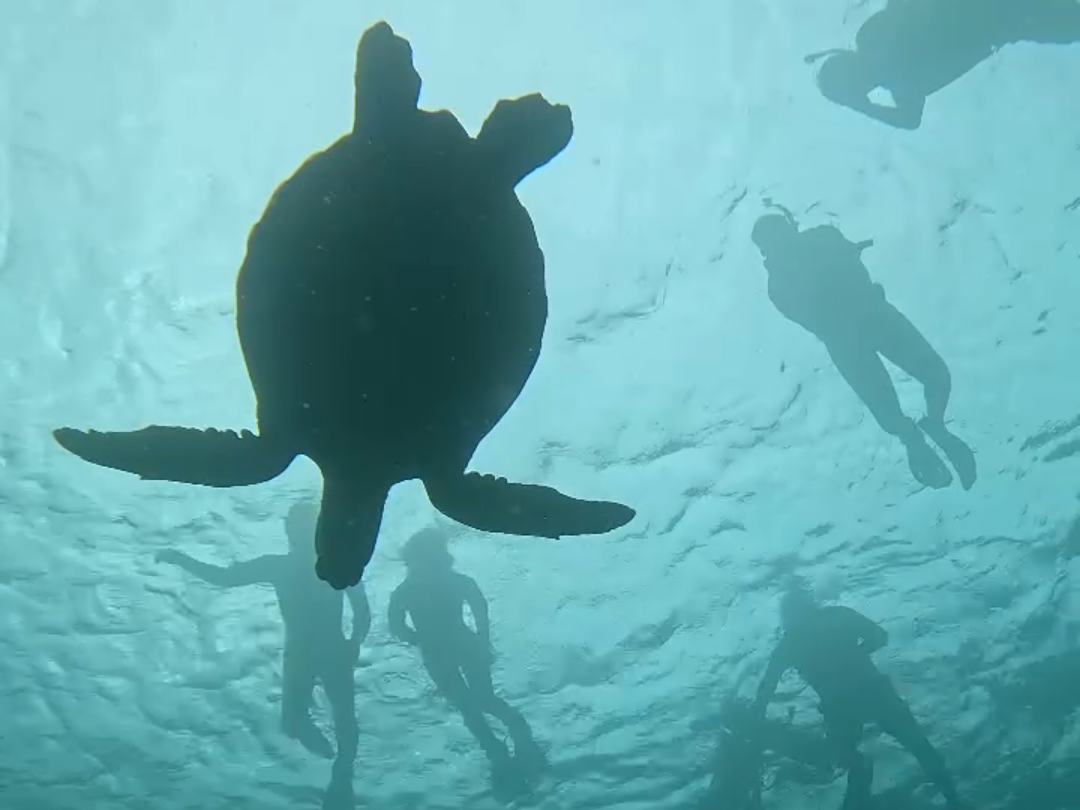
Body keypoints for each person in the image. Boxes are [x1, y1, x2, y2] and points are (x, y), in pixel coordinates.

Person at [157, 499, 369, 810]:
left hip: (328, 651)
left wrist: (354, 642)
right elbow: (223, 577)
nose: (298, 533)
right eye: (295, 527)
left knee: (341, 720)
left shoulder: (335, 562)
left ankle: (342, 773)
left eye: (304, 527)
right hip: (308, 652)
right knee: (297, 723)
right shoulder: (284, 565)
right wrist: (181, 559)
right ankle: (334, 761)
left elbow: (362, 611)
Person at [751, 211, 976, 490]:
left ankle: (933, 427)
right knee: (893, 409)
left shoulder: (819, 239)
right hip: (850, 335)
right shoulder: (780, 282)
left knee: (936, 377)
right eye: (773, 240)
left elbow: (846, 259)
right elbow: (808, 314)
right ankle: (914, 438)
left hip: (870, 319)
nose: (781, 241)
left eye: (780, 233)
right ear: (766, 249)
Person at [751, 588, 967, 809]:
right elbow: (880, 636)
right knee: (919, 746)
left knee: (849, 759)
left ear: (787, 616)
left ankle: (864, 776)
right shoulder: (837, 616)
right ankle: (954, 800)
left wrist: (756, 716)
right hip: (872, 692)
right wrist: (857, 653)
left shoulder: (789, 644)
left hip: (841, 706)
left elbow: (767, 686)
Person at [388, 528, 547, 791]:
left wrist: (422, 638)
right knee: (471, 704)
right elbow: (478, 606)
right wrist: (480, 639)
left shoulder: (413, 589)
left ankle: (512, 740)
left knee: (477, 702)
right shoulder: (428, 587)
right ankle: (501, 748)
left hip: (453, 648)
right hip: (454, 648)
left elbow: (397, 624)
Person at [809, 0, 1080, 129]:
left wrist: (864, 107)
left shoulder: (876, 45)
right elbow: (910, 120)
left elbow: (909, 119)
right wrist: (865, 107)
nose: (860, 90)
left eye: (849, 88)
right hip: (1004, 25)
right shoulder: (900, 84)